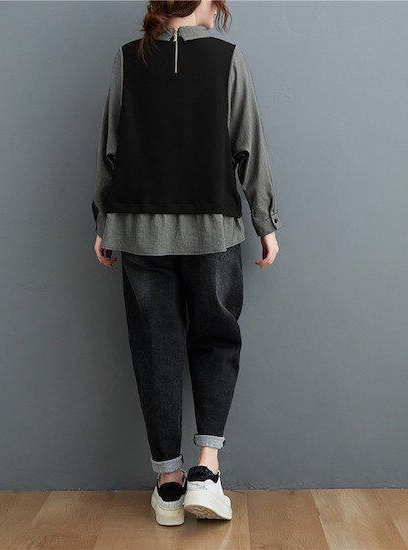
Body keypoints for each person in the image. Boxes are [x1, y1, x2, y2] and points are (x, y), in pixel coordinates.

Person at [92, 0, 280, 525]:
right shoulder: (227, 58)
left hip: (137, 228)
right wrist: (265, 221)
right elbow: (249, 144)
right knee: (215, 339)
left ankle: (169, 483)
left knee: (155, 348)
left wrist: (104, 220)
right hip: (212, 226)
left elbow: (109, 146)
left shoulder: (128, 58)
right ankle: (207, 470)